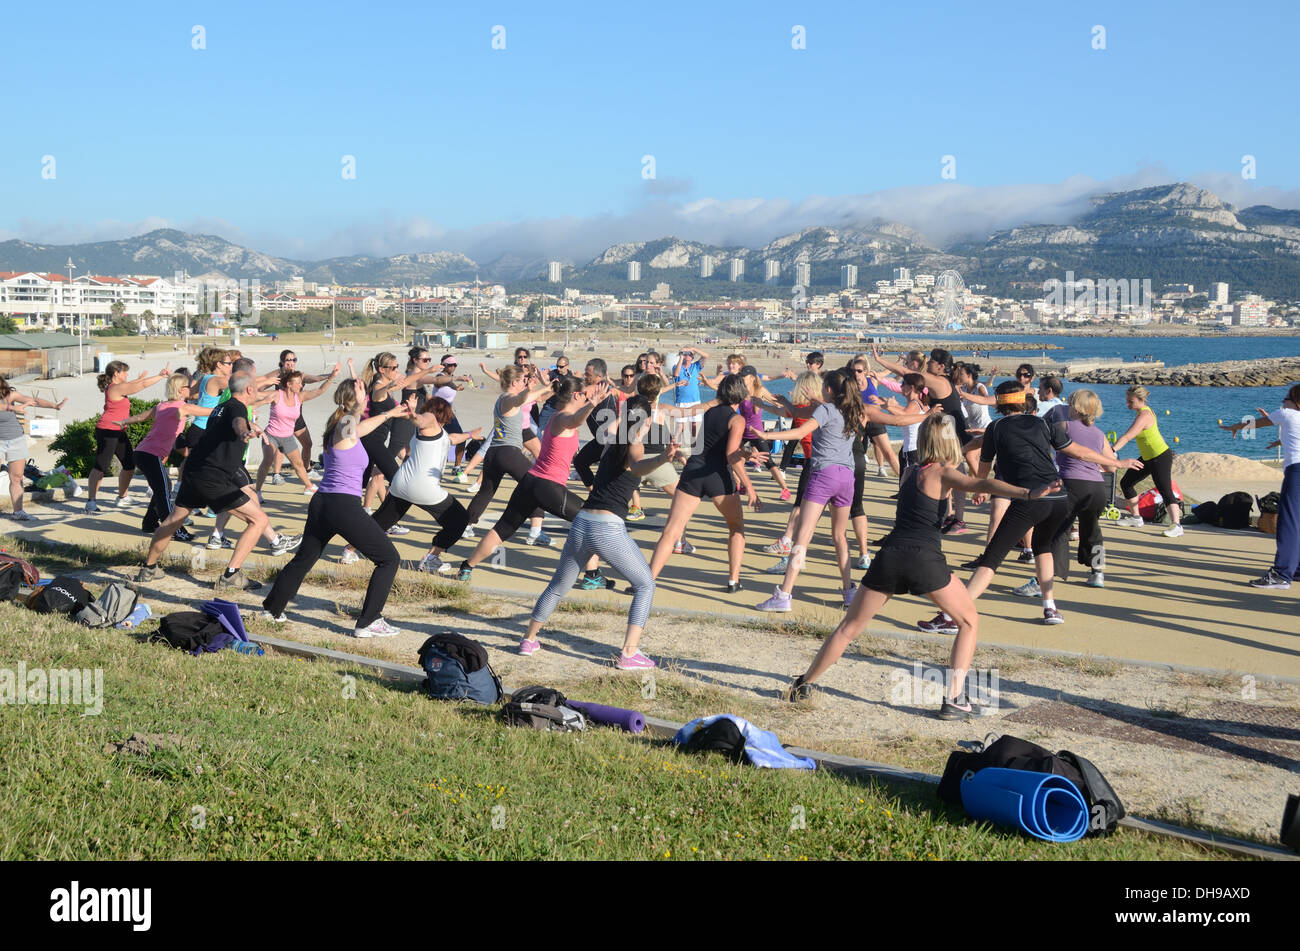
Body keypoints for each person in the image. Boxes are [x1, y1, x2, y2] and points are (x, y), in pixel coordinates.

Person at [785, 414, 1066, 718]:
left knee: (849, 628)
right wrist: (1027, 493)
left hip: (890, 556)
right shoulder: (943, 473)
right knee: (969, 621)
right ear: (949, 443)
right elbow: (981, 482)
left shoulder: (910, 472)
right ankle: (955, 698)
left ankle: (802, 684)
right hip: (923, 559)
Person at [917, 381, 1142, 632]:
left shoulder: (997, 427)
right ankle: (1051, 606)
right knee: (1045, 547)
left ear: (1000, 404)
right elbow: (1078, 451)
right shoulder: (1042, 423)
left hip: (1032, 497)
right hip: (1061, 496)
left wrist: (978, 489)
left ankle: (952, 617)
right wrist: (1117, 463)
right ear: (1023, 401)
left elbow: (984, 467)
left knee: (992, 557)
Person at [519, 395, 683, 667]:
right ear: (646, 419)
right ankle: (629, 653)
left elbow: (613, 430)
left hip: (582, 522)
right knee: (645, 584)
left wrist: (629, 417)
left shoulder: (611, 440)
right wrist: (663, 458)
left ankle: (528, 639)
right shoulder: (634, 444)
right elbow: (638, 465)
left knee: (559, 585)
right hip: (607, 528)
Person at [754, 370, 932, 612]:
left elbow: (799, 432)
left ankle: (784, 595)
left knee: (803, 537)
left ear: (828, 389)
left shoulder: (825, 409)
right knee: (840, 536)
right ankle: (849, 591)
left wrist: (766, 434)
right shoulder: (855, 410)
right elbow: (897, 421)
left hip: (823, 475)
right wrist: (929, 414)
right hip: (846, 477)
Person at [260, 379, 413, 636]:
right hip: (342, 506)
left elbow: (363, 427)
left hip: (323, 504)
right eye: (361, 398)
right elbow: (353, 424)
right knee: (389, 559)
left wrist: (392, 413)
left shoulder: (342, 428)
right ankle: (368, 622)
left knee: (304, 559)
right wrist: (360, 405)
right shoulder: (343, 426)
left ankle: (271, 610)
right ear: (354, 402)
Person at [456, 376, 609, 583]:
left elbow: (579, 409)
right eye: (584, 395)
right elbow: (576, 420)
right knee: (591, 522)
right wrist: (592, 404)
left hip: (531, 482)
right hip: (549, 486)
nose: (588, 397)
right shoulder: (562, 418)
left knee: (503, 529)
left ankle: (466, 567)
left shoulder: (560, 414)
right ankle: (592, 575)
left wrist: (596, 390)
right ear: (576, 396)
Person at [134, 374, 274, 592]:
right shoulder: (237, 408)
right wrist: (244, 431)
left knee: (174, 519)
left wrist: (249, 425)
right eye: (255, 387)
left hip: (194, 470)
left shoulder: (221, 406)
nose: (257, 391)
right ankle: (231, 575)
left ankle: (149, 568)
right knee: (259, 520)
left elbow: (230, 424)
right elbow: (237, 422)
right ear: (248, 390)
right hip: (213, 477)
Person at [648, 374, 761, 594]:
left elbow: (711, 444)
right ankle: (733, 581)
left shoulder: (709, 413)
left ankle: (648, 580)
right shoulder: (737, 420)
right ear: (740, 394)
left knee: (671, 532)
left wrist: (745, 454)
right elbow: (729, 454)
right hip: (717, 476)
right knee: (736, 528)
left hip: (693, 472)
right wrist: (749, 485)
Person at [369, 394, 481, 575]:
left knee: (381, 521)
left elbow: (452, 438)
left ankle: (349, 550)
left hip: (401, 483)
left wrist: (469, 435)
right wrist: (414, 414)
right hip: (423, 488)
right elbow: (422, 420)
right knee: (459, 520)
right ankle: (431, 559)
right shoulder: (430, 420)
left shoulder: (438, 433)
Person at [461, 365, 554, 543]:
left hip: (494, 453)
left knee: (486, 492)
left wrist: (546, 388)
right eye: (523, 380)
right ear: (514, 382)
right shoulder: (509, 398)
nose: (525, 382)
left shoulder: (503, 398)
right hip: (508, 453)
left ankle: (466, 525)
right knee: (537, 484)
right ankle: (535, 531)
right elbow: (521, 399)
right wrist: (535, 387)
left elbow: (530, 398)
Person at [1222, 385, 1300, 589]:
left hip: (1296, 472)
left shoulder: (1286, 413)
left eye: (1285, 397)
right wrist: (1279, 441)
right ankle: (1296, 568)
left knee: (1289, 523)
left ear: (1294, 400)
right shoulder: (1291, 417)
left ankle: (1282, 574)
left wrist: (1235, 427)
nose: (1283, 401)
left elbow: (1255, 424)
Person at [1041, 389, 1119, 591]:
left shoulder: (1064, 425)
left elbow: (1044, 444)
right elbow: (1111, 466)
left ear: (1074, 407)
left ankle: (1052, 575)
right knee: (1093, 530)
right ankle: (1098, 572)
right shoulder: (1099, 434)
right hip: (1097, 487)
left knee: (1058, 530)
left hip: (1071, 483)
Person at [124, 372, 213, 540]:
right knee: (163, 492)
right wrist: (230, 408)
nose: (191, 389)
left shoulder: (162, 405)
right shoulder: (182, 407)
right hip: (150, 454)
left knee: (164, 487)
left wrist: (123, 422)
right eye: (188, 386)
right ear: (181, 390)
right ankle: (173, 530)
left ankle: (149, 523)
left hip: (142, 452)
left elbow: (142, 416)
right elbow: (209, 411)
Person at [85, 360, 170, 513]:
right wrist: (160, 376)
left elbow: (134, 383)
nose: (127, 374)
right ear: (116, 373)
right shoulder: (115, 388)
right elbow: (140, 386)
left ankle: (122, 497)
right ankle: (91, 502)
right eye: (125, 371)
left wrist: (140, 378)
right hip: (107, 431)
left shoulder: (118, 387)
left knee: (129, 465)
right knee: (100, 467)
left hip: (119, 431)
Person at [1112, 385, 1184, 538]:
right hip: (1147, 457)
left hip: (1160, 456)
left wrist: (1112, 451)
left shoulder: (1144, 415)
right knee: (1126, 483)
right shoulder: (1141, 411)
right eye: (1127, 401)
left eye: (1130, 401)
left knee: (1165, 490)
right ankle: (1136, 518)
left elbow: (1127, 437)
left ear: (1141, 400)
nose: (1127, 404)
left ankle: (1177, 526)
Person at [253, 367, 338, 495]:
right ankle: (257, 491)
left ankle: (308, 486)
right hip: (271, 435)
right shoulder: (277, 395)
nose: (301, 385)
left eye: (301, 382)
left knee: (298, 464)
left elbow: (320, 390)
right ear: (288, 384)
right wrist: (251, 410)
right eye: (298, 383)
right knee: (267, 461)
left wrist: (331, 377)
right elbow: (257, 398)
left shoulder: (300, 397)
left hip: (287, 438)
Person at [0, 379, 67, 521]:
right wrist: (13, 408)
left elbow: (34, 400)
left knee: (17, 477)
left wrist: (55, 406)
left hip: (16, 438)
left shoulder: (9, 395)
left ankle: (18, 512)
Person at [272, 350, 335, 478]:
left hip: (297, 417)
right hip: (282, 417)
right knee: (281, 447)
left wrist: (330, 375)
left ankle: (307, 469)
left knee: (308, 444)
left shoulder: (300, 376)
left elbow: (315, 379)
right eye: (288, 360)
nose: (291, 362)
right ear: (282, 362)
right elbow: (263, 385)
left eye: (294, 360)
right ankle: (276, 474)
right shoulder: (277, 376)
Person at [737, 367, 791, 501]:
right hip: (742, 432)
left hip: (758, 434)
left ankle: (785, 489)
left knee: (769, 462)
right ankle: (741, 486)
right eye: (741, 376)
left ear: (752, 378)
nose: (742, 378)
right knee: (734, 459)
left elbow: (775, 402)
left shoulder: (760, 391)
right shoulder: (739, 392)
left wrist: (789, 404)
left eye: (744, 376)